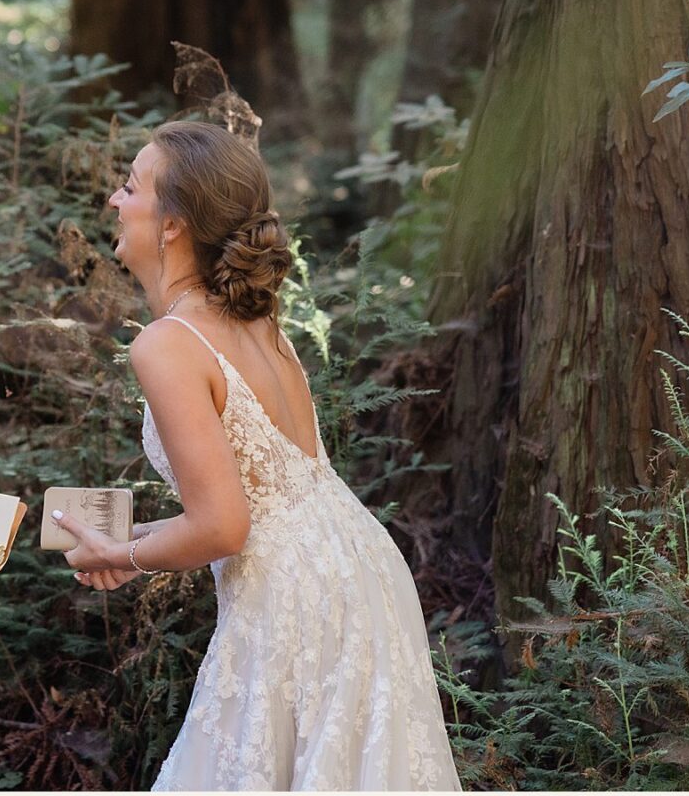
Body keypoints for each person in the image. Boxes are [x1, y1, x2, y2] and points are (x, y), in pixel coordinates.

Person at [52, 120, 461, 790]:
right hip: (359, 569)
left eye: (130, 186)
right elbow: (261, 499)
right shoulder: (255, 319)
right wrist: (125, 539)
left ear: (174, 222)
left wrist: (120, 555)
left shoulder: (165, 344)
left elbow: (224, 526)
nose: (113, 201)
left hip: (295, 601)